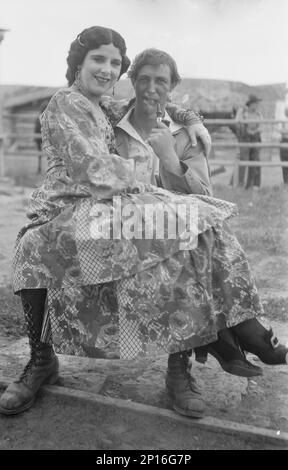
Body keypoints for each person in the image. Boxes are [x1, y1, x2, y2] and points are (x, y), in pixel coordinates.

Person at [0, 28, 286, 420]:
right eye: (98, 60)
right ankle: (41, 361)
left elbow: (157, 100)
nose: (106, 69)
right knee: (190, 220)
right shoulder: (66, 103)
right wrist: (145, 171)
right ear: (78, 64)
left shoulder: (101, 106)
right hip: (70, 208)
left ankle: (207, 349)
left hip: (105, 207)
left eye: (114, 63)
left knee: (197, 225)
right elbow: (90, 169)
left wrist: (190, 119)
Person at [235, 95, 263, 189]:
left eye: (257, 103)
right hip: (245, 138)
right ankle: (240, 184)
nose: (257, 105)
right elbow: (237, 122)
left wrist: (254, 131)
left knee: (254, 161)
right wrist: (246, 129)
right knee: (243, 160)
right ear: (251, 104)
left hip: (255, 138)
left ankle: (250, 185)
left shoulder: (259, 114)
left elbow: (261, 126)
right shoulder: (242, 112)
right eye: (256, 103)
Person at [280, 107, 288, 184]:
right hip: (284, 140)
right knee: (284, 161)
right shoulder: (283, 121)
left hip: (285, 138)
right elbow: (280, 131)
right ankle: (286, 181)